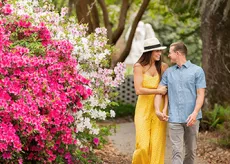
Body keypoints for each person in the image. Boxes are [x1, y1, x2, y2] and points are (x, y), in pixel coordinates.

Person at [154, 42, 206, 164]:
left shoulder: (197, 71)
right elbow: (159, 92)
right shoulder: (168, 72)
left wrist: (195, 113)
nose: (169, 55)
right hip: (174, 118)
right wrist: (157, 110)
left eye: (170, 53)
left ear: (177, 53)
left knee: (191, 151)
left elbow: (200, 94)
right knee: (176, 151)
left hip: (192, 118)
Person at [132, 37, 168, 164]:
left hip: (159, 109)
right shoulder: (139, 66)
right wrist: (157, 91)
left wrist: (164, 109)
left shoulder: (163, 67)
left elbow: (166, 91)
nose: (159, 53)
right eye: (156, 51)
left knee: (157, 145)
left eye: (160, 51)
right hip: (143, 109)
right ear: (149, 52)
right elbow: (139, 90)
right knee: (142, 145)